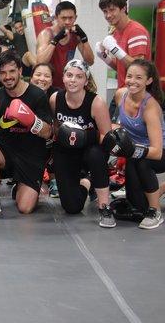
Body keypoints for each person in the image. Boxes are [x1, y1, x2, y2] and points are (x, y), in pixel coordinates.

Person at [0, 50, 53, 216]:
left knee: (25, 208)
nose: (7, 77)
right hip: (7, 152)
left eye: (11, 71)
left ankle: (22, 186)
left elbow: (48, 133)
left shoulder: (37, 95)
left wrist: (32, 120)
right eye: (2, 73)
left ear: (20, 71)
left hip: (31, 156)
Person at [105, 60, 165, 229]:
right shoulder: (120, 95)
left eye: (139, 77)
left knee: (142, 162)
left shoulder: (150, 108)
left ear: (149, 80)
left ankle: (156, 211)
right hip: (135, 153)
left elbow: (157, 152)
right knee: (138, 207)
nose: (132, 81)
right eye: (130, 76)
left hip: (163, 154)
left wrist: (130, 149)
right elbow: (114, 122)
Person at [49, 59, 114, 227]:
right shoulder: (55, 98)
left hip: (90, 150)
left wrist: (84, 136)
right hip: (66, 150)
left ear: (86, 80)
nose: (73, 80)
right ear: (63, 78)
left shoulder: (96, 102)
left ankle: (104, 207)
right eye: (69, 75)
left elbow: (107, 138)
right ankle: (86, 181)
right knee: (72, 208)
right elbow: (55, 127)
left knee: (96, 155)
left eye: (79, 76)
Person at [95, 0, 152, 116]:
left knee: (123, 134)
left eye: (112, 10)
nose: (108, 15)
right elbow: (122, 66)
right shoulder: (116, 32)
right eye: (105, 11)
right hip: (122, 91)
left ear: (123, 8)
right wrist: (105, 57)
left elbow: (139, 68)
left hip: (137, 94)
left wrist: (115, 49)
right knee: (110, 131)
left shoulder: (136, 31)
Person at [36, 1, 94, 88]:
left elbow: (90, 61)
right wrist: (55, 40)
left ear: (75, 18)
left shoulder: (75, 35)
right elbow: (40, 62)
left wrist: (84, 38)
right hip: (47, 85)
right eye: (63, 18)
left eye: (71, 18)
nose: (67, 22)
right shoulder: (47, 34)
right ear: (56, 17)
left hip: (66, 85)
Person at [29, 63, 58, 197]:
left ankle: (54, 178)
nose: (42, 79)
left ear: (51, 81)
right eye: (38, 74)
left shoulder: (57, 96)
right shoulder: (23, 93)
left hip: (51, 142)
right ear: (31, 77)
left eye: (47, 76)